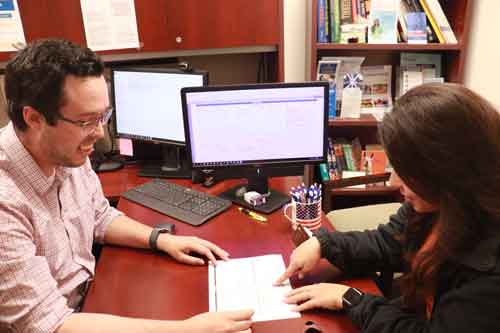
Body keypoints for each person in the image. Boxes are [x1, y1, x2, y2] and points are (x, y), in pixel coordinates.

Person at [0, 39, 253, 333]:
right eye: (86, 121)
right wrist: (187, 331)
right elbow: (51, 324)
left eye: (103, 116)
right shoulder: (6, 200)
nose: (99, 133)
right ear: (34, 119)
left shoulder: (67, 151)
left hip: (92, 301)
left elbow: (98, 216)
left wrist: (160, 240)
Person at [275, 83, 500, 332]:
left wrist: (351, 299)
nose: (393, 182)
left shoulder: (489, 275)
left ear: (446, 172)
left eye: (406, 172)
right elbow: (388, 242)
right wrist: (323, 244)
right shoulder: (437, 206)